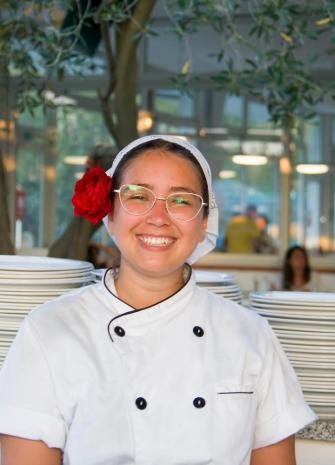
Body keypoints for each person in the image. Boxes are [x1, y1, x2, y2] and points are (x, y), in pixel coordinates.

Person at [0, 135, 316, 465]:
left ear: (204, 220)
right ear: (110, 212)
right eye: (138, 196)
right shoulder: (50, 332)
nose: (159, 217)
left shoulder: (251, 336)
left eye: (181, 201)